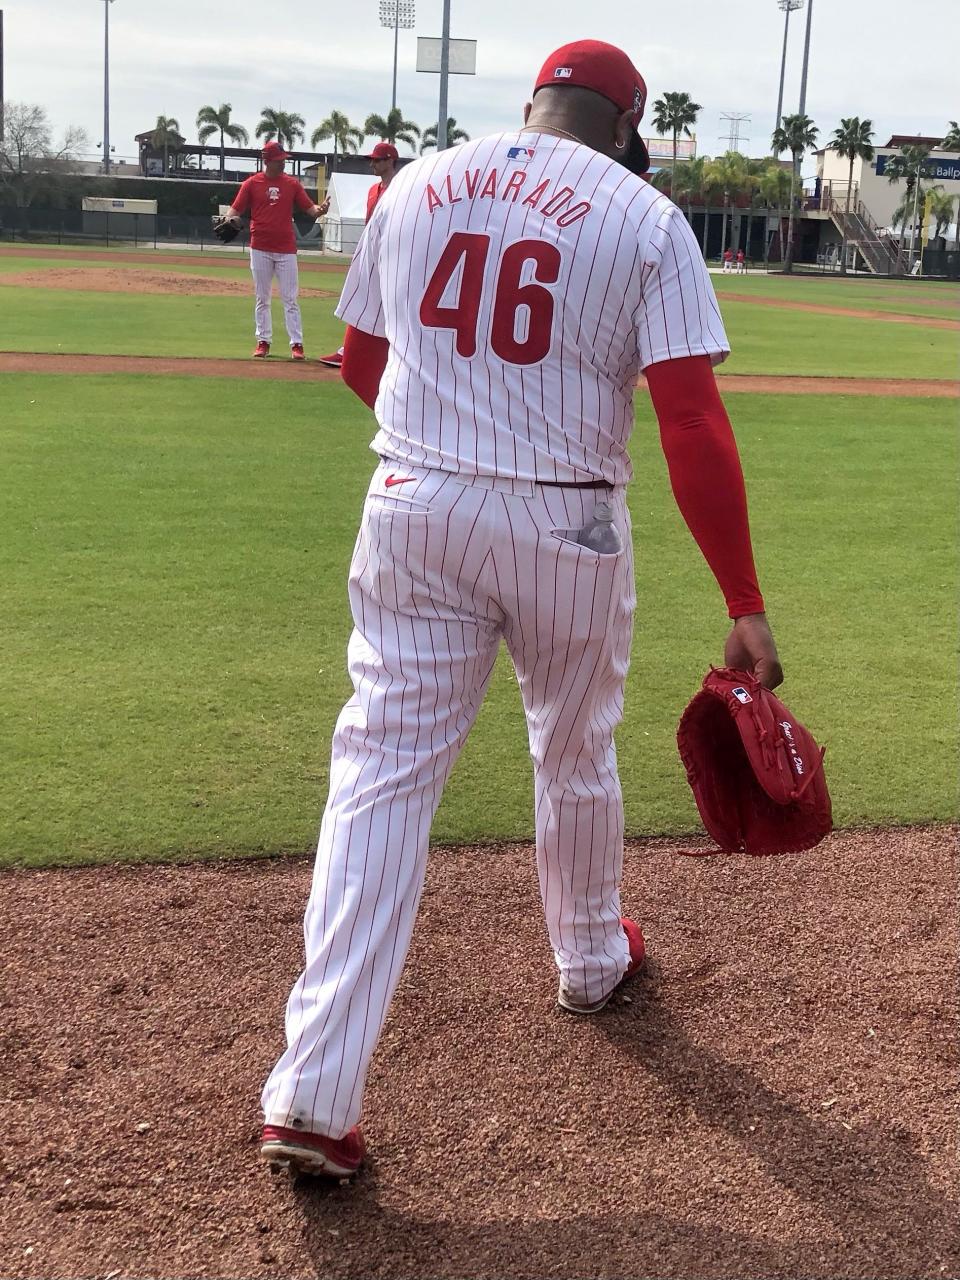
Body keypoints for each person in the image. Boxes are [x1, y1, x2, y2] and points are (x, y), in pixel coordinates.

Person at [259, 38, 782, 1179]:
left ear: (533, 104)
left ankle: (311, 1087)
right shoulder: (644, 218)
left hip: (413, 503)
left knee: (380, 775)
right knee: (574, 749)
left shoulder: (419, 184)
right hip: (567, 524)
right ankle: (590, 957)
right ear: (627, 129)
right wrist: (744, 599)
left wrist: (450, 443)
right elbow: (690, 420)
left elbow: (362, 362)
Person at [223, 141, 330, 360]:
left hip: (286, 249)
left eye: (284, 160)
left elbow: (311, 210)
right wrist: (228, 218)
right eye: (280, 160)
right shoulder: (252, 184)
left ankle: (297, 344)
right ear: (268, 161)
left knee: (290, 298)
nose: (283, 164)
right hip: (260, 247)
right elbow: (234, 209)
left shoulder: (292, 184)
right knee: (262, 297)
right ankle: (263, 341)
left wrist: (321, 210)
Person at [319, 142, 401, 369]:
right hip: (372, 252)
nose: (373, 164)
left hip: (394, 253)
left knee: (392, 303)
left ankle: (376, 353)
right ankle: (351, 351)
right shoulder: (373, 190)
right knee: (362, 300)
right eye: (372, 160)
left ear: (390, 161)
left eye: (377, 160)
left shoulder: (402, 188)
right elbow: (369, 223)